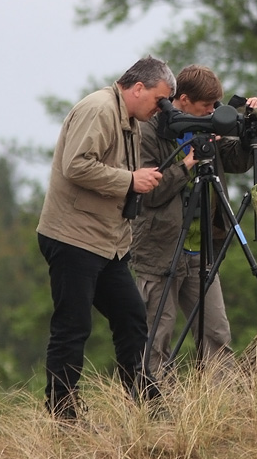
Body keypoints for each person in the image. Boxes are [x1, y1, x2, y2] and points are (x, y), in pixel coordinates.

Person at [37, 55, 177, 419]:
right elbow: (76, 164)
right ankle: (63, 413)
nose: (160, 109)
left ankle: (147, 404)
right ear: (137, 87)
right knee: (73, 326)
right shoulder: (99, 109)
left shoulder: (128, 117)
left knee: (131, 316)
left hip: (107, 242)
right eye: (158, 100)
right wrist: (131, 180)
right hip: (73, 237)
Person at [130, 64, 257, 375]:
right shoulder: (150, 130)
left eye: (215, 107)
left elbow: (237, 161)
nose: (211, 112)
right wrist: (188, 164)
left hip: (202, 248)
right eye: (206, 107)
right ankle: (155, 408)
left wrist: (249, 129)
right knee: (156, 338)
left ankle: (220, 409)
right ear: (184, 99)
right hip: (160, 247)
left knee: (216, 334)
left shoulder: (210, 123)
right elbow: (149, 192)